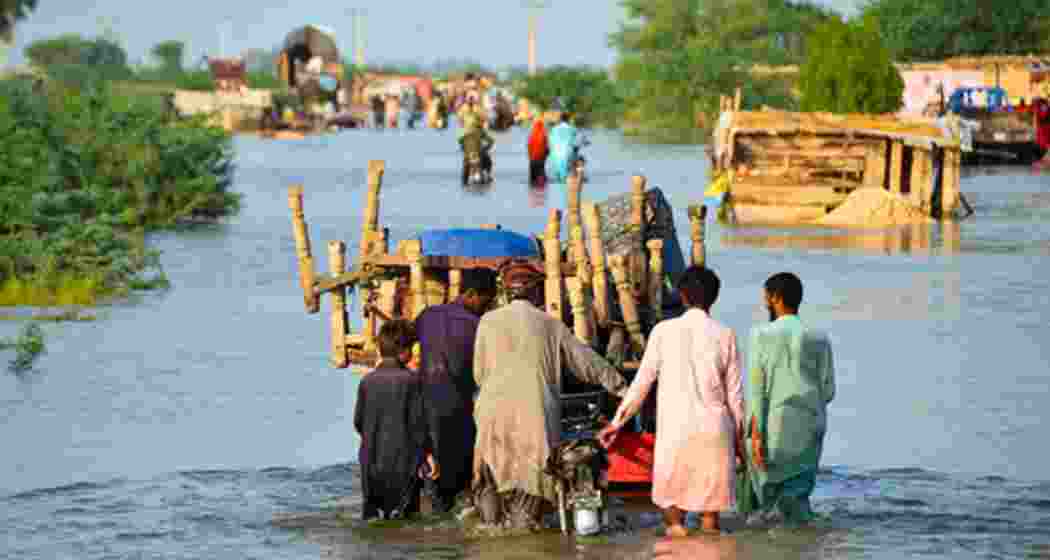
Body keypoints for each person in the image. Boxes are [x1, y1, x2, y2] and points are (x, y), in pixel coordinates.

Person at [471, 260, 629, 531]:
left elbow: (478, 373)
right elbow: (588, 364)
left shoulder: (487, 322)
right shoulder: (550, 324)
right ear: (535, 293)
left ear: (506, 293)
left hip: (490, 419)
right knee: (526, 512)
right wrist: (624, 389)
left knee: (491, 508)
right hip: (533, 420)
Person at [599, 266, 744, 536]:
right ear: (714, 298)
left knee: (674, 526)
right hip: (714, 433)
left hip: (676, 434)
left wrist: (617, 423)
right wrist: (740, 445)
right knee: (711, 528)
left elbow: (641, 385)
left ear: (683, 296)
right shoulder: (726, 335)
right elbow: (735, 399)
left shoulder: (663, 332)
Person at [745, 272, 835, 524]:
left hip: (775, 424)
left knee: (770, 502)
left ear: (775, 298)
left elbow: (756, 390)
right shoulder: (819, 338)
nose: (764, 302)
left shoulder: (760, 334)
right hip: (810, 424)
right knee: (798, 500)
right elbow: (828, 390)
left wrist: (755, 432)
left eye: (766, 297)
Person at [414, 270, 498, 512]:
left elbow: (409, 338)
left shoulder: (428, 315)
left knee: (435, 476)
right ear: (471, 294)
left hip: (425, 408)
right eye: (486, 300)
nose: (487, 306)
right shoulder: (479, 326)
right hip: (457, 410)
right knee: (459, 479)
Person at [353, 320, 439, 521]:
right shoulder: (412, 380)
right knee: (406, 518)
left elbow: (358, 423)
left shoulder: (367, 382)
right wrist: (428, 453)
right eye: (411, 347)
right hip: (404, 465)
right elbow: (420, 425)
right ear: (403, 351)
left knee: (374, 518)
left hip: (371, 464)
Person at [546, 112, 581, 183]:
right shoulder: (573, 129)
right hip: (568, 155)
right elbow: (581, 139)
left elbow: (549, 142)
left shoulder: (553, 129)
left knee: (557, 175)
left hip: (555, 155)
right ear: (568, 120)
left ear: (560, 120)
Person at [459, 117, 495, 185]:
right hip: (478, 154)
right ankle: (488, 175)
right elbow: (491, 141)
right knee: (488, 162)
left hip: (468, 156)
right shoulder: (481, 132)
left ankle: (465, 180)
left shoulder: (466, 133)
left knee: (465, 172)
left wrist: (465, 150)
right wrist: (485, 149)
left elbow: (460, 141)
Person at [527, 117, 549, 186]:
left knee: (532, 181)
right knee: (542, 181)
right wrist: (545, 156)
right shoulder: (544, 135)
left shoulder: (532, 135)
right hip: (541, 161)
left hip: (532, 161)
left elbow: (529, 148)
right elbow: (547, 149)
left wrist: (531, 157)